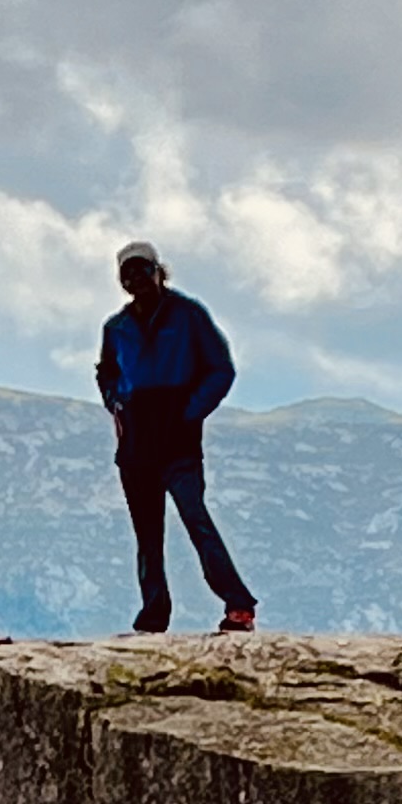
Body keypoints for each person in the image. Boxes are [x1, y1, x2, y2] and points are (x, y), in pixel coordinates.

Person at [95, 241, 255, 633]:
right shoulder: (116, 327)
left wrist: (190, 412)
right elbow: (107, 372)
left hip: (179, 439)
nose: (135, 279)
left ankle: (239, 606)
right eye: (127, 274)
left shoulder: (188, 315)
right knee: (147, 534)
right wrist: (117, 403)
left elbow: (221, 369)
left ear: (158, 271)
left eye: (142, 270)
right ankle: (154, 614)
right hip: (136, 440)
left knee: (195, 518)